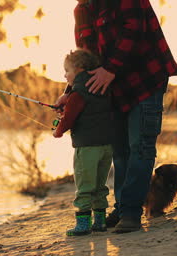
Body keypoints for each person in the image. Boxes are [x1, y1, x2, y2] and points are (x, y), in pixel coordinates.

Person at [51, 0, 177, 233]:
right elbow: (84, 60)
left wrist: (110, 69)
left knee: (140, 146)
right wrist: (70, 92)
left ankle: (131, 212)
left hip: (146, 80)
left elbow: (133, 31)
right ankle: (122, 208)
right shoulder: (81, 11)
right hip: (114, 89)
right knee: (119, 151)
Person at [53, 49, 115, 236]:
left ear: (78, 70)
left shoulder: (78, 93)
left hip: (87, 147)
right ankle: (100, 222)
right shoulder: (103, 87)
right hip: (107, 146)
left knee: (85, 186)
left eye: (67, 71)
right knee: (99, 185)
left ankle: (82, 225)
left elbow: (69, 118)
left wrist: (58, 131)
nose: (65, 75)